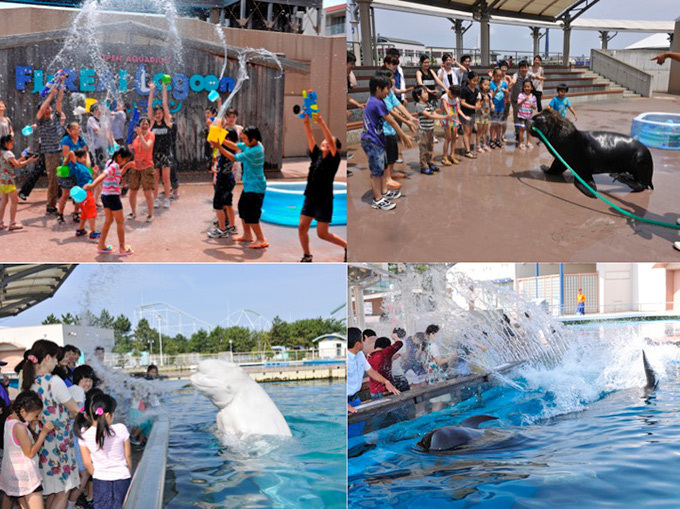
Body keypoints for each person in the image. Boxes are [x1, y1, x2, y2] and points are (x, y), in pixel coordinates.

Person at [19, 339, 80, 508]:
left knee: (53, 489)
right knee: (64, 489)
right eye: (55, 358)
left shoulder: (28, 381)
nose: (56, 362)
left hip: (40, 441)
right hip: (59, 442)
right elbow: (75, 410)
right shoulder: (54, 381)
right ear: (46, 358)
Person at [298, 112, 347, 263]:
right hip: (310, 198)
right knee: (301, 228)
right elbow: (310, 137)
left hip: (324, 200)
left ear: (336, 149)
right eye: (325, 140)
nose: (326, 141)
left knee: (322, 234)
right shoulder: (316, 155)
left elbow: (332, 143)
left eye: (330, 142)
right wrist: (306, 122)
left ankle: (347, 246)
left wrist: (322, 123)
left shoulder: (334, 159)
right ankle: (307, 255)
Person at [361, 74, 413, 211]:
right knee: (376, 171)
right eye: (387, 89)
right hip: (371, 141)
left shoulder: (378, 101)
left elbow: (391, 115)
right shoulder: (376, 103)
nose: (388, 92)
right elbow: (391, 121)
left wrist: (407, 121)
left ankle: (384, 191)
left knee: (382, 167)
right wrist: (403, 135)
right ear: (378, 88)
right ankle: (377, 199)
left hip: (377, 140)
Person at [212, 126, 269, 249]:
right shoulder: (252, 145)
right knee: (242, 210)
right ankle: (247, 235)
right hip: (249, 185)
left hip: (256, 187)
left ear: (253, 139)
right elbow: (235, 146)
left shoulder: (255, 151)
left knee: (251, 214)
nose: (243, 141)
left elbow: (233, 157)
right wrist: (220, 137)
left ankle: (261, 239)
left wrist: (219, 147)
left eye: (244, 138)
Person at [0, 390, 56, 509]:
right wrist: (44, 433)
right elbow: (30, 452)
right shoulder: (19, 427)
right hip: (27, 476)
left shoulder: (9, 420)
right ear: (23, 411)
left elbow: (22, 443)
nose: (36, 417)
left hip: (16, 476)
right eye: (35, 415)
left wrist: (33, 426)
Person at [77, 393, 132, 509]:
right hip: (122, 477)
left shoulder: (84, 434)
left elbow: (87, 463)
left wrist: (97, 474)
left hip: (100, 479)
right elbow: (128, 456)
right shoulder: (121, 429)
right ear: (107, 415)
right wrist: (129, 472)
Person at [86, 146, 134, 256]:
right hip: (113, 197)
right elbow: (104, 175)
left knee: (108, 220)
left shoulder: (110, 162)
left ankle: (101, 245)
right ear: (119, 157)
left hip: (105, 196)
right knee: (120, 222)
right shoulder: (114, 166)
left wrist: (126, 167)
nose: (125, 162)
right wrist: (93, 185)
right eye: (125, 160)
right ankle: (122, 248)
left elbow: (115, 175)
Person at [347, 327, 400, 414]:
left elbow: (370, 371)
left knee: (360, 424)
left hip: (355, 399)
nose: (364, 342)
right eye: (362, 340)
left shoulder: (360, 354)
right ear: (357, 344)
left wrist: (386, 381)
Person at [35, 74, 66, 215]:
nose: (48, 110)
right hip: (50, 154)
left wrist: (62, 85)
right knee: (53, 180)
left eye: (49, 108)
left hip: (60, 151)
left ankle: (62, 201)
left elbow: (59, 102)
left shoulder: (57, 117)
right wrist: (50, 96)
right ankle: (51, 205)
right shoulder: (41, 120)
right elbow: (42, 109)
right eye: (46, 108)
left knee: (65, 177)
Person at [207, 112, 240, 239]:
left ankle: (222, 229)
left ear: (228, 140)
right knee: (228, 204)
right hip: (229, 179)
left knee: (218, 206)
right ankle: (232, 226)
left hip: (223, 180)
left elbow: (213, 141)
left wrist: (211, 126)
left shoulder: (225, 150)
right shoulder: (230, 149)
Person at [66, 366, 95, 509]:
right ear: (78, 379)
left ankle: (72, 503)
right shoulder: (77, 391)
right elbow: (74, 413)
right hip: (75, 437)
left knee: (78, 474)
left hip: (73, 436)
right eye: (85, 380)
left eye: (90, 380)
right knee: (84, 473)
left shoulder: (74, 390)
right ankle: (70, 505)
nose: (88, 383)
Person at [413, 85, 453, 175]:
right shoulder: (419, 105)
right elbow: (430, 115)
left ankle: (429, 162)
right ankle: (424, 166)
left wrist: (445, 117)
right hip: (423, 130)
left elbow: (434, 113)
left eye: (427, 92)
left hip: (430, 129)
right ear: (418, 96)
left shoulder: (428, 104)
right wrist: (445, 116)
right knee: (423, 148)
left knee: (430, 147)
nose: (427, 94)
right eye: (425, 93)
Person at [0, 134, 37, 231]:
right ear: (5, 143)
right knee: (14, 200)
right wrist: (29, 160)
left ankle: (0, 222)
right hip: (9, 180)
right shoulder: (8, 153)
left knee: (4, 201)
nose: (12, 146)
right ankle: (12, 223)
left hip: (2, 180)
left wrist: (23, 158)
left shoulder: (2, 153)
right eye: (11, 144)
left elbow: (12, 162)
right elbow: (17, 165)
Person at [147, 81, 174, 209]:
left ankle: (167, 198)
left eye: (160, 113)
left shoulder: (167, 123)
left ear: (163, 114)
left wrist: (164, 88)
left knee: (166, 178)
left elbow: (164, 104)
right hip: (154, 154)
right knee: (155, 178)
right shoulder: (151, 124)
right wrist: (151, 91)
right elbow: (148, 108)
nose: (158, 115)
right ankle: (156, 198)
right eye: (156, 113)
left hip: (166, 154)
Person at [58, 122, 90, 224]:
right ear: (69, 131)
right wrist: (76, 160)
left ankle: (76, 213)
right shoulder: (66, 140)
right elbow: (66, 156)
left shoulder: (81, 140)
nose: (77, 131)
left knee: (78, 192)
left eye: (78, 129)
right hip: (68, 171)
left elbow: (86, 152)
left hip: (78, 171)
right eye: (75, 129)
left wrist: (87, 162)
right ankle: (60, 214)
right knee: (65, 194)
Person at [64, 149, 99, 240]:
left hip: (85, 192)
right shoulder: (76, 166)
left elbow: (92, 179)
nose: (85, 159)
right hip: (85, 192)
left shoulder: (85, 168)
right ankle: (93, 232)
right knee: (92, 211)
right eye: (83, 157)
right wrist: (86, 151)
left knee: (84, 212)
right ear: (77, 158)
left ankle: (80, 229)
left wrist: (94, 173)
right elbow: (71, 153)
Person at [127, 117, 156, 222]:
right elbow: (136, 150)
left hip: (147, 166)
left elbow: (147, 146)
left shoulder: (151, 135)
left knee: (147, 192)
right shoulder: (135, 138)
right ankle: (133, 212)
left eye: (146, 124)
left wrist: (140, 135)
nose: (144, 125)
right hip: (136, 166)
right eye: (143, 124)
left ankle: (150, 214)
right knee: (132, 191)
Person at [509, 60, 533, 143]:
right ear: (519, 68)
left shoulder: (529, 74)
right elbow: (514, 79)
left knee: (526, 117)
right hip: (516, 100)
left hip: (526, 100)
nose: (524, 69)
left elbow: (535, 76)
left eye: (525, 67)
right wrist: (512, 82)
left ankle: (526, 133)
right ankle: (518, 133)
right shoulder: (515, 75)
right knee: (517, 118)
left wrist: (540, 78)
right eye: (522, 68)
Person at [440, 85, 463, 165]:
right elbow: (446, 109)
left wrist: (461, 118)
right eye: (452, 95)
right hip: (446, 119)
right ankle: (445, 156)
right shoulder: (444, 97)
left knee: (454, 138)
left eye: (455, 96)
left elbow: (458, 109)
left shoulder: (456, 98)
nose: (453, 97)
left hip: (455, 118)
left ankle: (452, 155)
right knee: (448, 138)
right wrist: (451, 116)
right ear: (449, 91)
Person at [460, 71, 480, 158]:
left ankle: (468, 148)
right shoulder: (465, 90)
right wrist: (473, 107)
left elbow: (478, 100)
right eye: (473, 81)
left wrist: (477, 105)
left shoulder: (476, 90)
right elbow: (462, 102)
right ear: (469, 80)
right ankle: (467, 151)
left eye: (476, 81)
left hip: (472, 113)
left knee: (470, 131)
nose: (475, 83)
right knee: (466, 132)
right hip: (465, 113)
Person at [489, 67, 509, 148]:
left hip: (501, 107)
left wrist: (506, 92)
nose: (498, 78)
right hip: (494, 106)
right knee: (493, 123)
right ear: (493, 75)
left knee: (499, 123)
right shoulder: (491, 84)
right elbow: (490, 96)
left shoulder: (504, 83)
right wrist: (496, 90)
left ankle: (498, 139)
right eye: (497, 76)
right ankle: (492, 139)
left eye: (500, 76)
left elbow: (507, 96)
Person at [516, 79, 537, 150]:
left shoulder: (533, 97)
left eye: (528, 87)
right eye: (525, 87)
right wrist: (524, 100)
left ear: (531, 87)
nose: (527, 88)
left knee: (528, 129)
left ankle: (528, 142)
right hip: (522, 115)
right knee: (522, 129)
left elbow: (535, 107)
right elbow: (518, 104)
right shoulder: (521, 95)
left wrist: (532, 106)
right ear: (523, 87)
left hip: (529, 116)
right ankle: (520, 143)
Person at [476, 77, 494, 153]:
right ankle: (478, 146)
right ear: (481, 85)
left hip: (487, 115)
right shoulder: (479, 94)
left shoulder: (489, 94)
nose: (487, 86)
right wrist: (483, 101)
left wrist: (492, 106)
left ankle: (484, 145)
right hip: (480, 115)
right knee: (479, 131)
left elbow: (491, 103)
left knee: (485, 131)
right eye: (485, 84)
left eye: (488, 85)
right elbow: (478, 105)